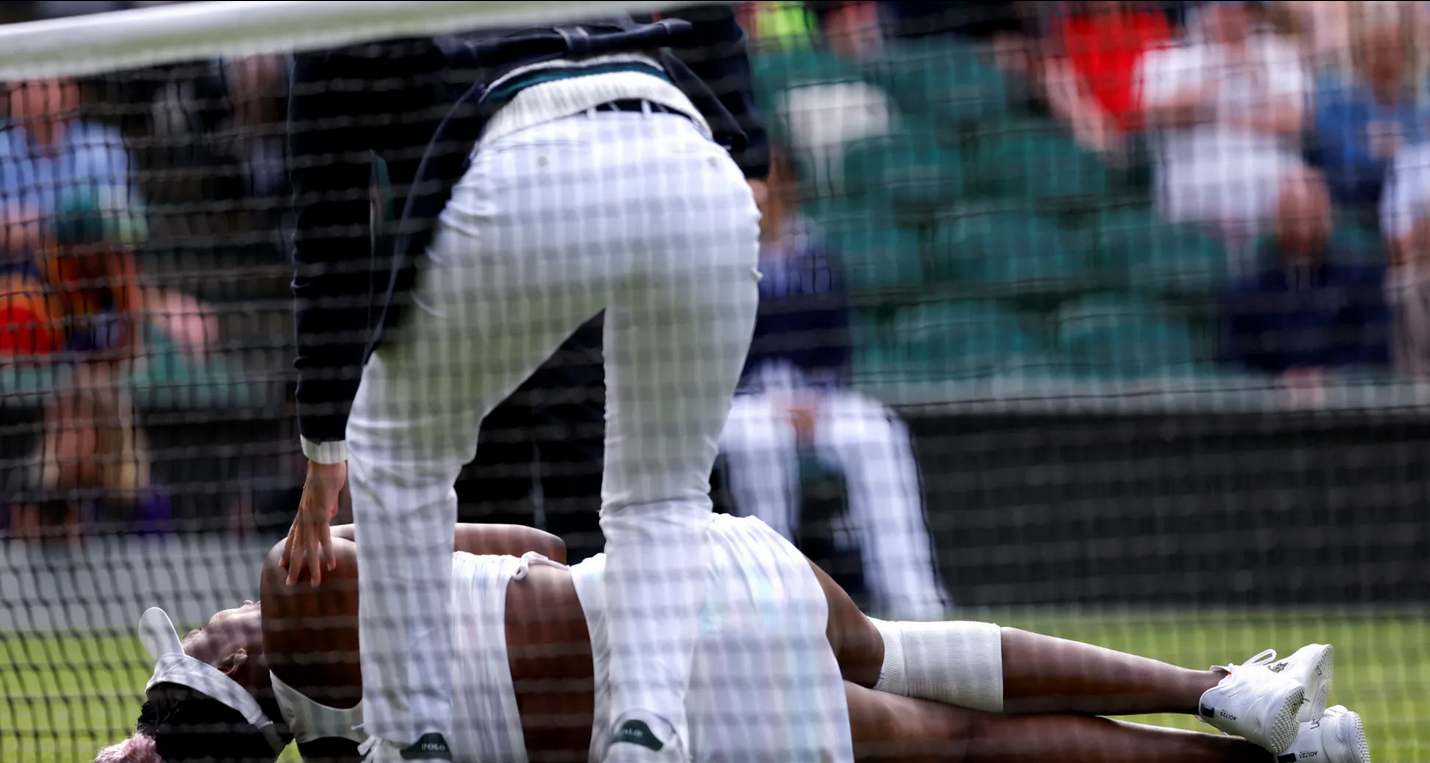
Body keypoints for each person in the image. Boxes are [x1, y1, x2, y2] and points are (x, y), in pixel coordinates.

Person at [284, 11, 767, 762]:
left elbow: (333, 235)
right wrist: (752, 149)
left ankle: (411, 741)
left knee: (397, 450)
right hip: (696, 170)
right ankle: (646, 736)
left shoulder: (323, 32)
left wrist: (324, 444)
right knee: (666, 495)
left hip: (530, 167)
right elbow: (712, 21)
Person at [94, 512, 1365, 763]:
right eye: (200, 642)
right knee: (893, 647)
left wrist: (159, 744)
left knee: (952, 741)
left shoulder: (356, 742)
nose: (209, 626)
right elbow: (536, 541)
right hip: (667, 595)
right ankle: (1216, 689)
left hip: (684, 721)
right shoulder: (300, 592)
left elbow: (198, 734)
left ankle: (1252, 752)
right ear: (238, 664)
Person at [717, 151, 945, 621]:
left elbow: (837, 345)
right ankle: (772, 601)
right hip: (746, 403)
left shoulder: (817, 257)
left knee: (879, 434)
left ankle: (913, 597)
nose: (766, 195)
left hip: (818, 398)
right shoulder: (723, 257)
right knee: (760, 443)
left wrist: (815, 395)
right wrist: (774, 400)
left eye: (775, 182)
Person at [1223, 171, 1391, 386]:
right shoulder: (1249, 291)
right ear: (1278, 219)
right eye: (1293, 217)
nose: (1303, 230)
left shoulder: (1360, 278)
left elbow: (1376, 350)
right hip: (1274, 401)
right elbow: (1237, 361)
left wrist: (1329, 379)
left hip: (1347, 398)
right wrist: (1278, 382)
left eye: (1311, 216)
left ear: (1327, 217)